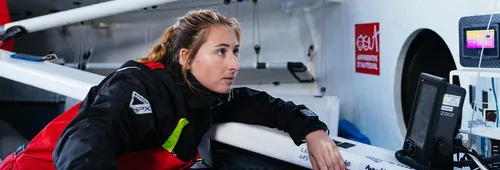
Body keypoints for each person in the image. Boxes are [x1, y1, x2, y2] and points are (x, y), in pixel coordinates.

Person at [0, 9, 345, 170]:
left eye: (236, 52)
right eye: (221, 51)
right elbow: (88, 136)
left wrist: (313, 130)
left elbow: (265, 105)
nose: (234, 65)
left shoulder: (209, 99)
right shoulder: (140, 86)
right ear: (187, 57)